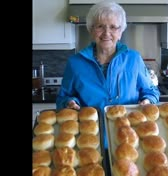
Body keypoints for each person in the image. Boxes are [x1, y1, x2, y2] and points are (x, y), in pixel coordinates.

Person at [56, 0, 160, 148]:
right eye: (100, 26)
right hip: (90, 141)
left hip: (130, 138)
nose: (107, 33)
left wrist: (147, 101)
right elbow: (62, 98)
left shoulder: (134, 59)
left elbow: (151, 91)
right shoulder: (75, 63)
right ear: (91, 29)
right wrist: (70, 103)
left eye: (113, 27)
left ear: (121, 31)